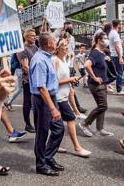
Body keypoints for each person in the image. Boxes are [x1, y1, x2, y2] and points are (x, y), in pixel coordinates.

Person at [29, 32, 65, 176]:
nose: (56, 42)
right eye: (54, 40)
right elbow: (41, 87)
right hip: (42, 100)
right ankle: (41, 165)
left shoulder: (46, 57)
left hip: (50, 98)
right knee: (42, 133)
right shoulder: (39, 60)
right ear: (49, 43)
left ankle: (48, 157)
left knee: (58, 129)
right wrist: (52, 108)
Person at [52, 39, 91, 157]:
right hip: (57, 97)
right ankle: (77, 148)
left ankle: (55, 145)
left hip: (63, 96)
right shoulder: (55, 60)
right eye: (63, 45)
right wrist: (69, 79)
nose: (66, 47)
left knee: (57, 124)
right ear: (57, 48)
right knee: (70, 119)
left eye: (66, 45)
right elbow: (53, 82)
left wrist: (70, 87)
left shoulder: (63, 60)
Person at [79, 32, 114, 137]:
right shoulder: (95, 52)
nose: (107, 40)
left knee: (102, 106)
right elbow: (86, 65)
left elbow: (100, 68)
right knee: (103, 106)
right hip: (96, 84)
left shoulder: (101, 53)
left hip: (102, 83)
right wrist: (94, 77)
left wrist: (106, 82)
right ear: (99, 40)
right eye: (105, 38)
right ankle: (84, 123)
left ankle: (100, 128)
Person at [18, 29, 38, 132]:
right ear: (26, 37)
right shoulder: (23, 49)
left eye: (35, 35)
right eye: (32, 36)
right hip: (28, 79)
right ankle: (27, 124)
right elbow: (25, 67)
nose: (35, 37)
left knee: (35, 102)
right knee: (27, 102)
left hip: (36, 78)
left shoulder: (35, 47)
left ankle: (36, 122)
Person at [109, 20, 124, 95]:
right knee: (119, 72)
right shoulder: (115, 34)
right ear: (119, 25)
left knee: (116, 72)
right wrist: (120, 57)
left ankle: (110, 85)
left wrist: (122, 41)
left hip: (114, 55)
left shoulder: (111, 32)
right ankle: (119, 90)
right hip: (117, 56)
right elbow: (116, 46)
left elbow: (116, 44)